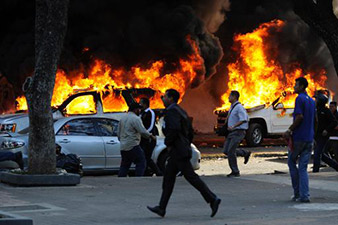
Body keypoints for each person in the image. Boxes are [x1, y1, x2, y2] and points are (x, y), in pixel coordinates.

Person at [147, 89, 221, 218]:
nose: (162, 99)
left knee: (190, 177)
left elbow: (174, 129)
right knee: (169, 178)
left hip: (177, 151)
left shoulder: (171, 111)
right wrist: (185, 144)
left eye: (164, 97)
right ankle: (161, 207)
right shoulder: (181, 111)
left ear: (170, 98)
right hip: (180, 150)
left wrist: (168, 143)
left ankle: (212, 199)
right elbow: (190, 132)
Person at [284, 77, 316, 203]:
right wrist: (313, 135)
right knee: (303, 168)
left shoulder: (299, 99)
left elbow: (299, 117)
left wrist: (289, 130)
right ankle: (305, 195)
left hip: (298, 138)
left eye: (296, 85)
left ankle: (297, 193)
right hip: (309, 138)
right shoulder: (312, 101)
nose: (294, 87)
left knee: (292, 162)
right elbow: (316, 119)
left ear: (302, 86)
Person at [117, 102, 156, 177]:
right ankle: (138, 179)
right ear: (135, 110)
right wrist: (151, 136)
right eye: (139, 109)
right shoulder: (136, 118)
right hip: (133, 145)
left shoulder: (123, 118)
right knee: (141, 162)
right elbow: (142, 131)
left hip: (123, 146)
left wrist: (123, 141)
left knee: (125, 165)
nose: (140, 111)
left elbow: (118, 133)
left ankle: (121, 179)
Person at [222, 90, 251, 177]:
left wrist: (233, 126)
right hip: (232, 132)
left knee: (231, 151)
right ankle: (245, 153)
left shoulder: (239, 107)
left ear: (234, 97)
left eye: (230, 96)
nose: (228, 97)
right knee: (226, 150)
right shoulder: (232, 106)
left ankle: (235, 171)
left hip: (238, 132)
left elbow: (243, 119)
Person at [313, 93, 337, 172]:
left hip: (323, 136)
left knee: (317, 154)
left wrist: (326, 130)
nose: (315, 101)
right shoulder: (315, 110)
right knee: (321, 155)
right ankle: (336, 166)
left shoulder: (326, 111)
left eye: (316, 99)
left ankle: (315, 171)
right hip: (316, 136)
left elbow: (334, 122)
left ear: (320, 101)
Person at [139, 97, 162, 176]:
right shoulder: (141, 113)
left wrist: (146, 133)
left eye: (140, 103)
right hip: (143, 138)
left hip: (150, 139)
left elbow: (151, 126)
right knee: (144, 157)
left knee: (147, 157)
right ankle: (146, 172)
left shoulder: (151, 112)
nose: (140, 105)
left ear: (145, 104)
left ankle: (158, 172)